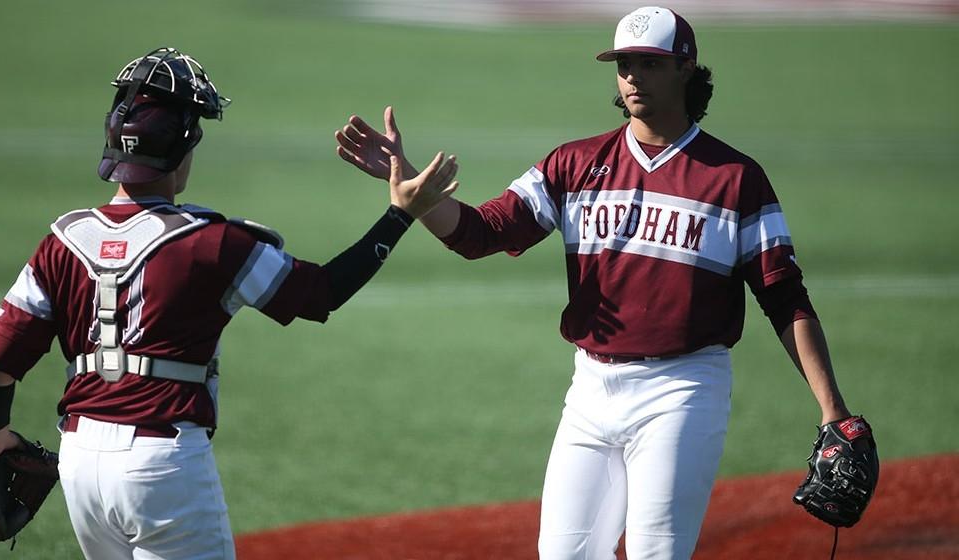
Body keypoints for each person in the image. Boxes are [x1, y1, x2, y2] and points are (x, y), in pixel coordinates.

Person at [335, 7, 862, 560]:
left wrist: (833, 408)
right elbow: (481, 233)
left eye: (649, 63)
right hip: (590, 390)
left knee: (656, 554)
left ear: (685, 68)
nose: (632, 76)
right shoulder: (574, 163)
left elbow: (783, 295)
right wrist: (413, 190)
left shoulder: (736, 179)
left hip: (682, 389)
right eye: (624, 64)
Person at [0, 47, 458, 559]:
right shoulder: (211, 243)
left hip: (80, 464)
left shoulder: (62, 240)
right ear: (183, 150)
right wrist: (400, 214)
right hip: (161, 465)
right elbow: (322, 294)